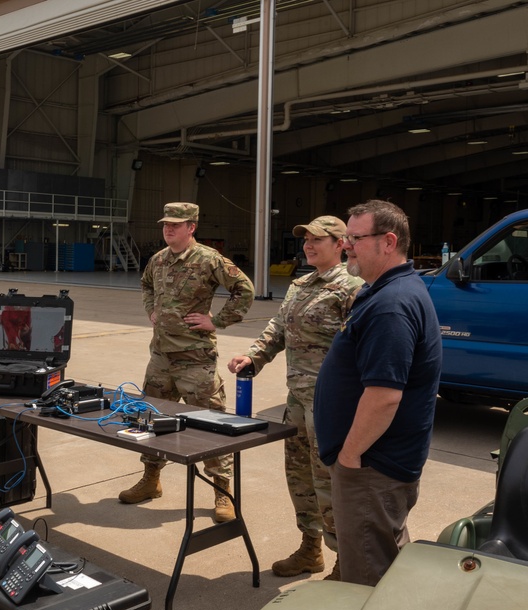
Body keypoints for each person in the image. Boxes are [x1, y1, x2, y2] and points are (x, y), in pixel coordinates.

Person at [314, 199, 442, 587]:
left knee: (367, 578)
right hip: (376, 466)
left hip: (372, 468)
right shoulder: (383, 290)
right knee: (385, 555)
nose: (347, 245)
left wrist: (350, 457)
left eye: (355, 238)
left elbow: (384, 395)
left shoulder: (392, 304)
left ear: (388, 242)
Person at [228, 215, 363, 580]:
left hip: (331, 405)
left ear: (340, 244)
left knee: (329, 480)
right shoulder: (300, 284)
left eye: (317, 239)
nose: (308, 244)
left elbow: (362, 346)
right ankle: (310, 549)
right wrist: (254, 355)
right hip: (297, 403)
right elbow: (278, 328)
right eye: (305, 238)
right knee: (301, 478)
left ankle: (345, 560)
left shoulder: (352, 287)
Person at [120, 202, 254, 523]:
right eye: (166, 224)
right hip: (161, 358)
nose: (168, 229)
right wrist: (151, 309)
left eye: (176, 225)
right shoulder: (159, 259)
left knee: (212, 425)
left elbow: (244, 290)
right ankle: (151, 479)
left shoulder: (208, 260)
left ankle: (223, 491)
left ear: (191, 227)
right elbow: (146, 285)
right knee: (150, 421)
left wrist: (217, 321)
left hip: (196, 360)